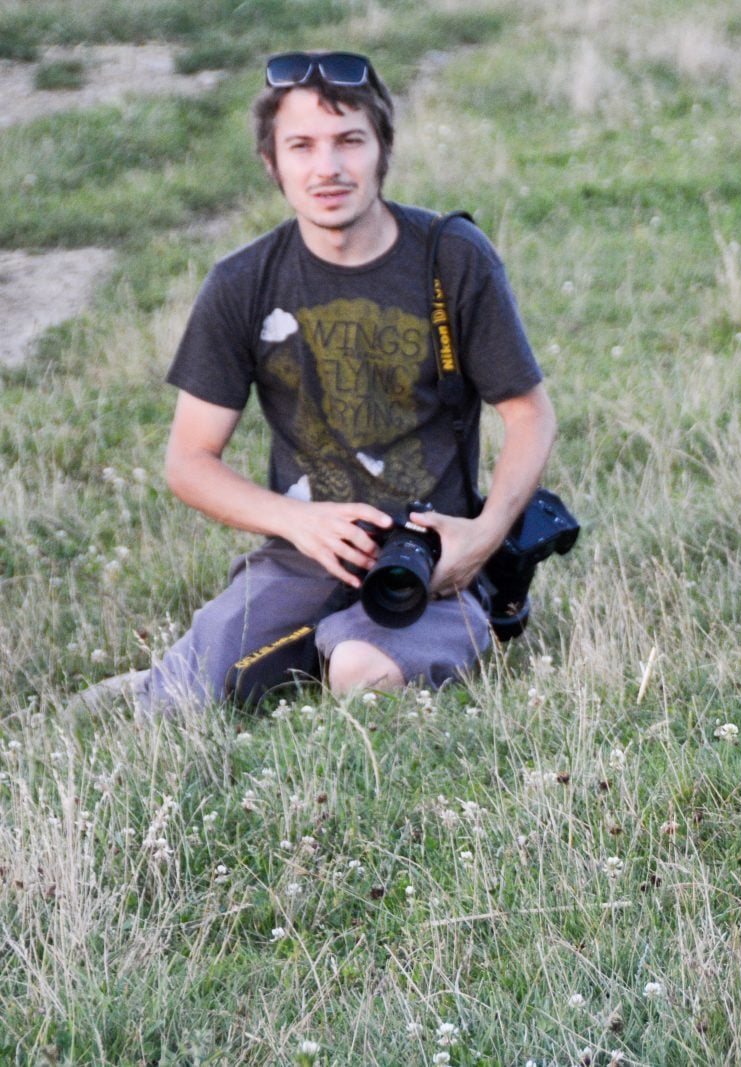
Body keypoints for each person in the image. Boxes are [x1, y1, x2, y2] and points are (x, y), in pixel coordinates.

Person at [90, 50, 555, 714]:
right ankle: (184, 671)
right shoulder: (242, 281)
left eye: (349, 142)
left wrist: (482, 536)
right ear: (271, 163)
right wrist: (298, 522)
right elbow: (188, 461)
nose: (327, 167)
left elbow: (530, 413)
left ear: (382, 150)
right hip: (301, 553)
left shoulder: (450, 257)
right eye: (301, 145)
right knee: (173, 707)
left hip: (429, 557)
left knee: (363, 674)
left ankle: (350, 648)